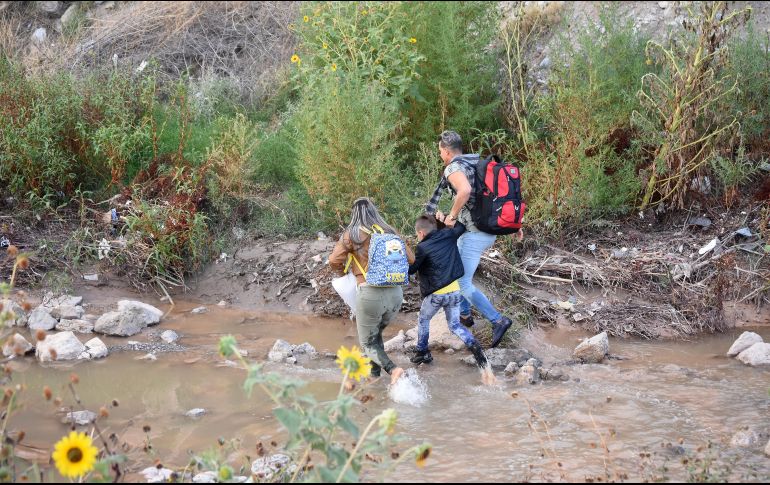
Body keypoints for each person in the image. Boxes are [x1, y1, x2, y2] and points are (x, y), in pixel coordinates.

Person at [425, 130, 524, 348]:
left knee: (461, 282)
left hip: (476, 234)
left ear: (447, 151)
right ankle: (465, 315)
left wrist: (450, 217)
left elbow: (465, 191)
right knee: (456, 275)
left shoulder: (454, 167)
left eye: (440, 151)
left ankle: (498, 320)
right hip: (482, 230)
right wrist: (516, 226)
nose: (441, 155)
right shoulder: (474, 163)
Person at [329, 198, 415, 385]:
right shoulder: (390, 232)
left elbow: (334, 260)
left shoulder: (352, 234)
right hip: (395, 294)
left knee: (367, 343)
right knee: (375, 338)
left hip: (370, 294)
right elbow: (411, 259)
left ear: (354, 214)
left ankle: (393, 369)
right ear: (374, 211)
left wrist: (345, 274)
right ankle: (373, 378)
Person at [408, 214, 491, 375]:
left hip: (435, 295)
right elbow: (460, 226)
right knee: (454, 325)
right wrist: (447, 217)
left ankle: (422, 352)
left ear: (421, 233)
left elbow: (412, 269)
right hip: (454, 291)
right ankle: (475, 346)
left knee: (424, 320)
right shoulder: (449, 234)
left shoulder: (422, 247)